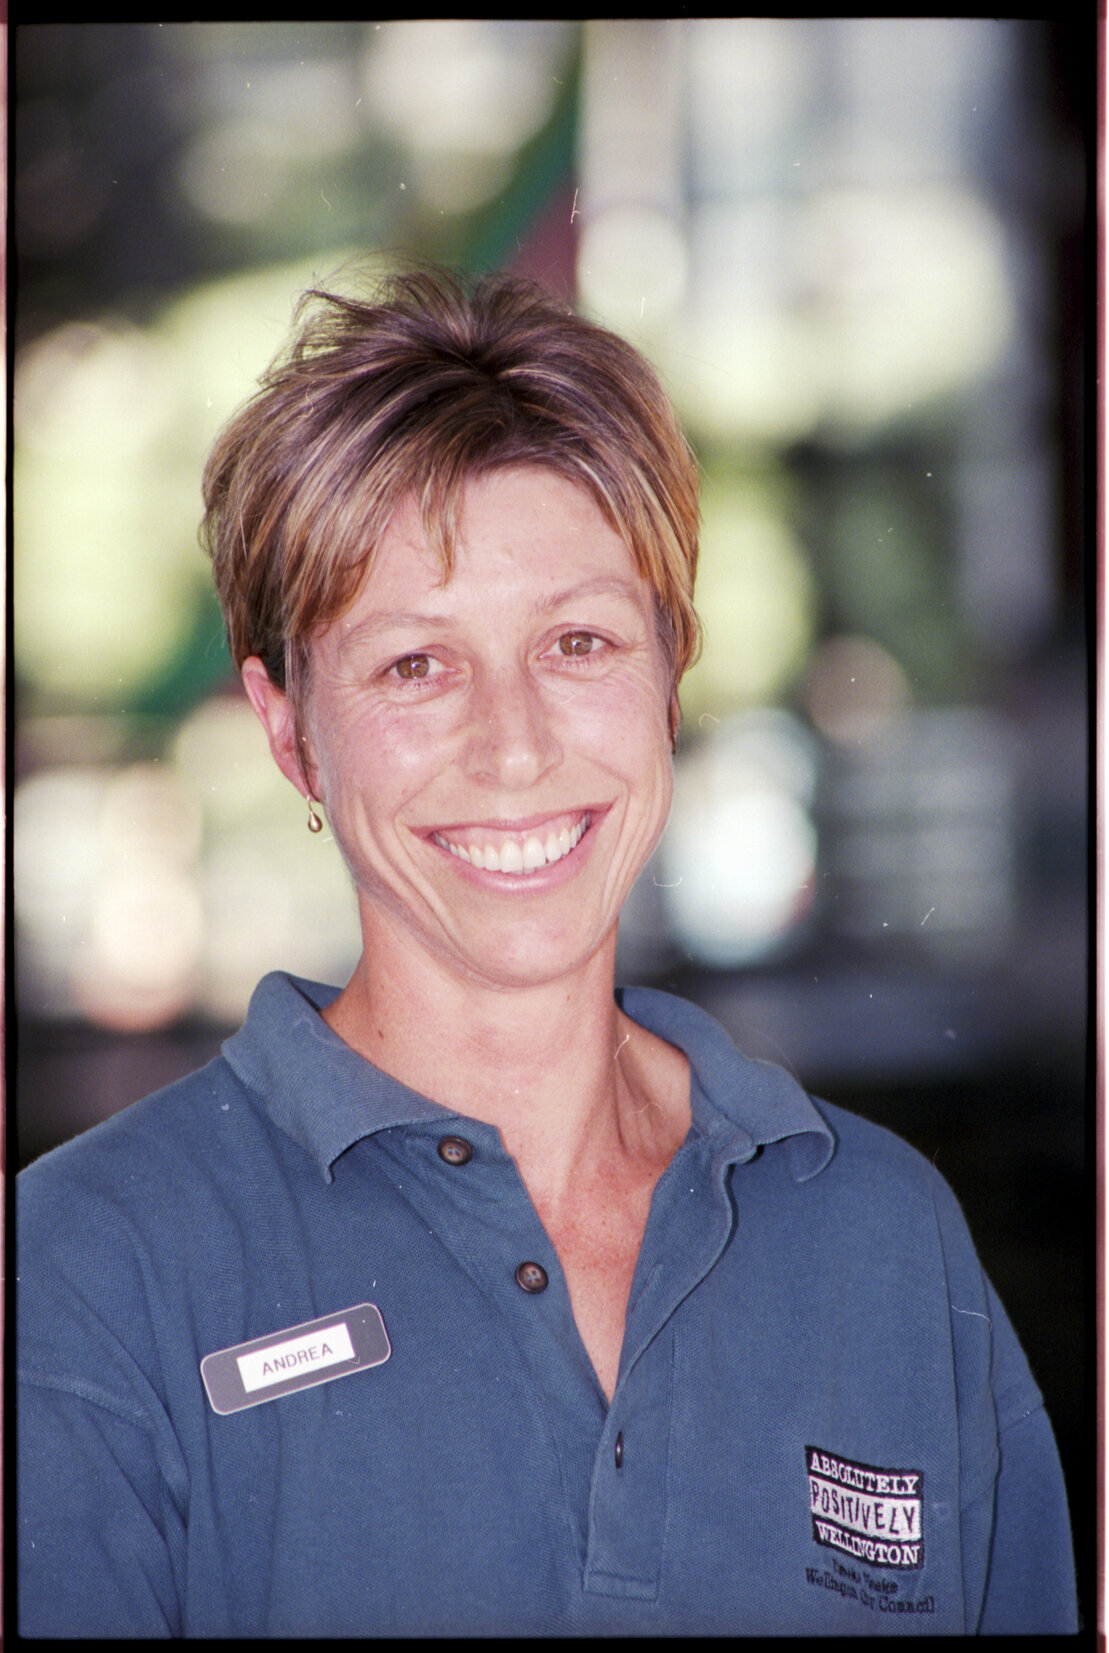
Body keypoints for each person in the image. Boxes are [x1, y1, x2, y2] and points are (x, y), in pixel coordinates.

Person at [17, 266, 1077, 1637]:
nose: (512, 748)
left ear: (668, 675)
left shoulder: (882, 1237)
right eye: (415, 664)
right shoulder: (86, 1268)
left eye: (577, 642)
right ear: (288, 731)